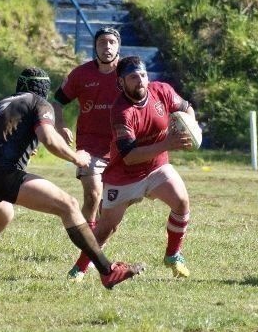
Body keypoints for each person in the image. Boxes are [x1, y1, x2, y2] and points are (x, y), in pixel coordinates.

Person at [0, 67, 143, 289]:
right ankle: (107, 271)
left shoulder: (1, 103)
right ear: (44, 89)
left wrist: (11, 147)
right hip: (1, 171)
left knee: (1, 217)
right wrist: (77, 157)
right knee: (69, 205)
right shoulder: (39, 102)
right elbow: (48, 137)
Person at [68, 56, 196, 282]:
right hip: (123, 176)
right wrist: (168, 143)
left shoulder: (162, 92)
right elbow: (129, 157)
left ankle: (173, 255)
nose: (140, 81)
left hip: (157, 168)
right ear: (121, 83)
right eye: (133, 77)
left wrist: (190, 128)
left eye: (143, 75)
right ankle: (79, 268)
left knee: (181, 202)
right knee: (106, 227)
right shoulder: (121, 111)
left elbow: (186, 108)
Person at [52, 26, 122, 229]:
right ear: (95, 47)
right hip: (89, 146)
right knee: (92, 195)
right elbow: (57, 101)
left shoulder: (128, 73)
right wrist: (61, 125)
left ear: (119, 46)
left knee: (109, 206)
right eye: (102, 42)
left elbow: (145, 102)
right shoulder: (81, 74)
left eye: (111, 42)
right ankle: (86, 247)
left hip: (121, 148)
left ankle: (96, 244)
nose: (106, 47)